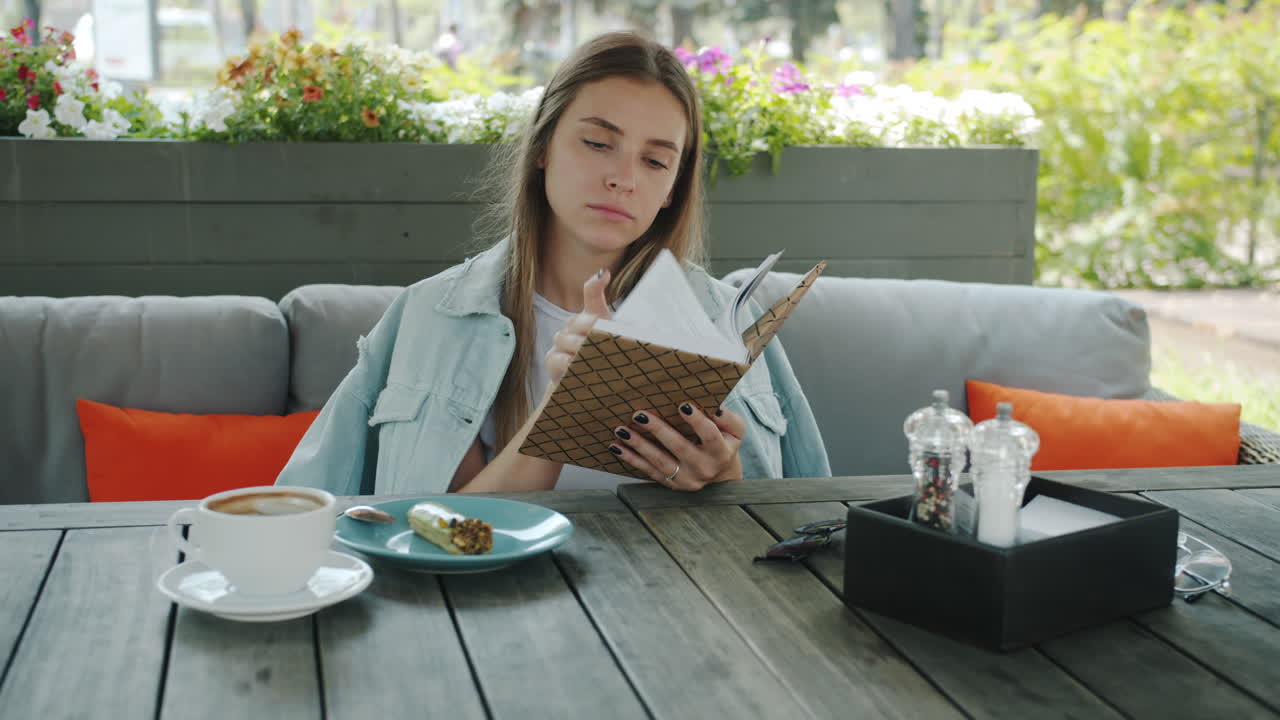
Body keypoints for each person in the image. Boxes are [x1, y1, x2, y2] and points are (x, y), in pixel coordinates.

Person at [276, 32, 830, 497]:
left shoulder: (727, 323)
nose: (624, 178)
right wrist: (572, 404)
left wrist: (723, 476)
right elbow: (442, 532)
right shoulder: (434, 315)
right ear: (543, 147)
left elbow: (795, 531)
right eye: (596, 143)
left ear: (672, 189)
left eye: (656, 160)